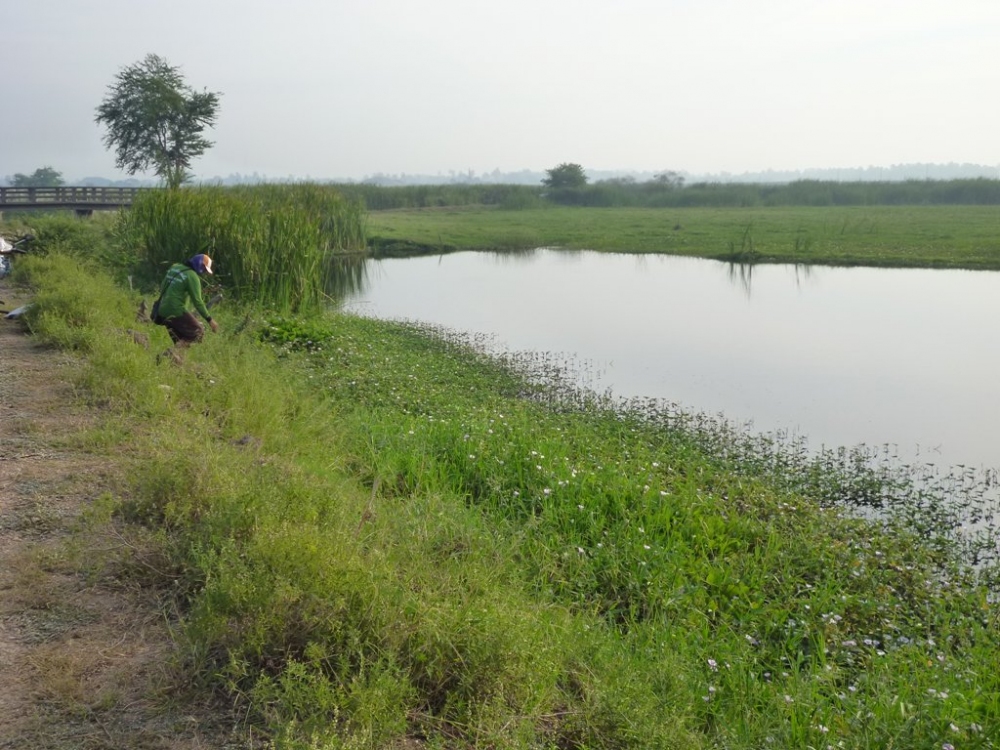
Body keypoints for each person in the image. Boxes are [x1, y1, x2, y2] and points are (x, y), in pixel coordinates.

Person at [155, 253, 219, 363]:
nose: (203, 273)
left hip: (162, 310)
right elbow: (198, 302)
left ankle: (175, 365)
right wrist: (210, 320)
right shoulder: (192, 276)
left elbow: (163, 286)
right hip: (175, 309)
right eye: (204, 269)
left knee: (181, 341)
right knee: (198, 331)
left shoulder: (175, 268)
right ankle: (168, 354)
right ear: (199, 264)